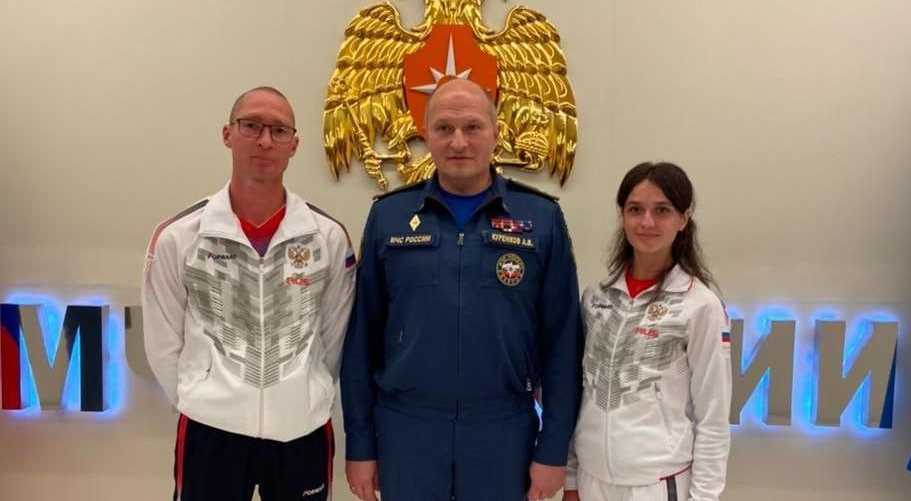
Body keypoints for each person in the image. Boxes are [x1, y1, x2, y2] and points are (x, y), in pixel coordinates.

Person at [340, 78, 583, 501]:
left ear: (496, 133)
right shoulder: (389, 217)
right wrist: (360, 443)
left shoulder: (541, 218)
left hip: (504, 430)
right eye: (444, 128)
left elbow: (562, 343)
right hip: (407, 430)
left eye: (472, 127)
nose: (458, 141)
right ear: (425, 134)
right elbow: (362, 340)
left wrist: (553, 449)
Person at [142, 86, 356, 501]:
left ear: (294, 145)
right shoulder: (180, 236)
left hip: (302, 430)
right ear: (227, 134)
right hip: (211, 430)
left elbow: (333, 338)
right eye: (252, 126)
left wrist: (305, 391)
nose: (265, 140)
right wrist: (201, 395)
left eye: (279, 130)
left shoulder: (327, 237)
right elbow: (163, 341)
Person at [563, 162, 732, 501]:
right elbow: (578, 395)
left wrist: (704, 497)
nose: (647, 222)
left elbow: (712, 417)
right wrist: (571, 479)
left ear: (683, 219)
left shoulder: (700, 306)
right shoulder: (595, 298)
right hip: (591, 480)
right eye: (635, 209)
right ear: (621, 215)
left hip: (656, 484)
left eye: (662, 210)